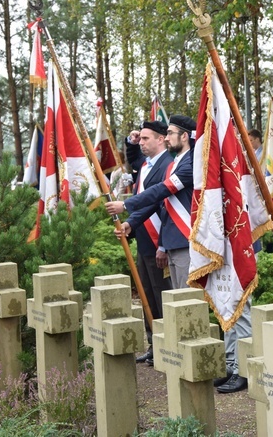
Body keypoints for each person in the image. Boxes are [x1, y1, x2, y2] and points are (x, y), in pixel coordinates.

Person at [109, 120, 174, 366]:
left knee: (162, 294)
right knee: (147, 291)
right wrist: (130, 142)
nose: (142, 142)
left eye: (147, 138)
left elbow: (161, 204)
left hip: (161, 237)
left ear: (161, 139)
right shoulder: (145, 164)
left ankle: (167, 344)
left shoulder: (168, 165)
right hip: (144, 237)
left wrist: (163, 245)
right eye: (141, 138)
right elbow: (133, 159)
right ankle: (153, 343)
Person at [108, 115, 196, 291]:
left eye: (170, 133)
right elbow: (158, 202)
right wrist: (131, 222)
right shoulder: (176, 163)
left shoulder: (190, 163)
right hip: (173, 241)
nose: (167, 137)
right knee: (175, 302)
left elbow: (161, 190)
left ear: (184, 136)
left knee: (186, 301)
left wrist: (126, 205)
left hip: (184, 238)